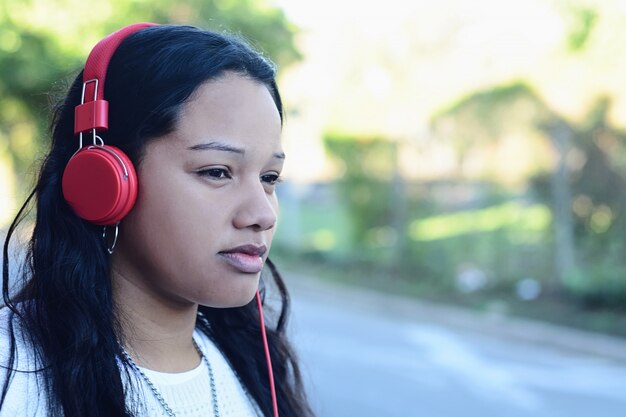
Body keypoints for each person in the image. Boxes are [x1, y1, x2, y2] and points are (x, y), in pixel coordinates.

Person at [0, 23, 313, 417]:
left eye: (269, 179)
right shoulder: (13, 373)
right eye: (217, 172)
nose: (263, 215)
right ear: (104, 183)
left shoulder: (254, 369)